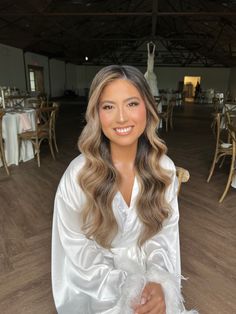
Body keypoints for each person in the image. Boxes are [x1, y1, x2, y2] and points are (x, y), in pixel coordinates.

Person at [51, 65, 198, 314]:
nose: (121, 117)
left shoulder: (164, 170)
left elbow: (164, 235)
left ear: (148, 108)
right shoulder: (78, 176)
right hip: (98, 284)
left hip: (152, 272)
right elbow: (75, 248)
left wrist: (157, 281)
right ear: (97, 114)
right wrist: (127, 287)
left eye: (131, 104)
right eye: (108, 106)